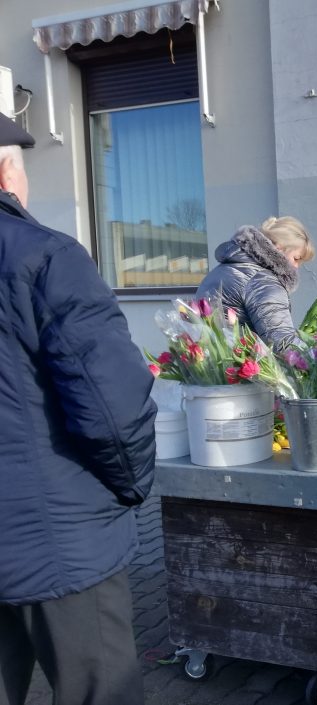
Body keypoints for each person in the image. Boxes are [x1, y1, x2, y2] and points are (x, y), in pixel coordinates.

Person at [0, 115, 158, 705]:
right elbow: (112, 406)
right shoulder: (42, 255)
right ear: (6, 171)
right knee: (101, 692)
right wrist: (134, 486)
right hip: (56, 542)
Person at [196, 216, 314, 353]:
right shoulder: (262, 280)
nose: (296, 267)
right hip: (242, 368)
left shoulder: (221, 271)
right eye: (296, 258)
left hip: (212, 365)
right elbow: (281, 341)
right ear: (279, 248)